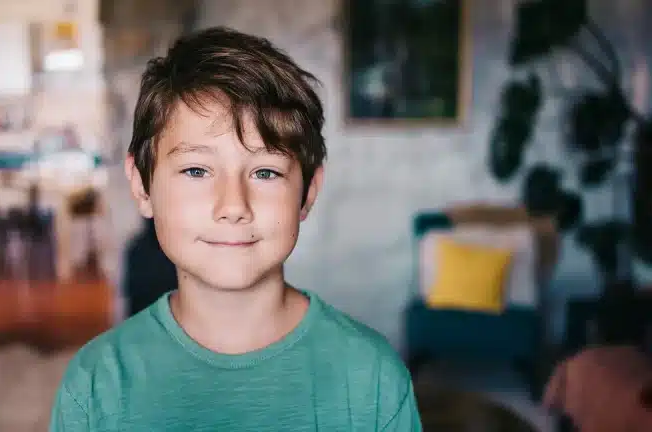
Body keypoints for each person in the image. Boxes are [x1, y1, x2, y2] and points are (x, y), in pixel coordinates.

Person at [49, 26, 422, 431]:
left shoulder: (372, 379)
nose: (233, 206)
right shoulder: (93, 387)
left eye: (265, 172)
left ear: (308, 191)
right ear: (142, 186)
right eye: (196, 170)